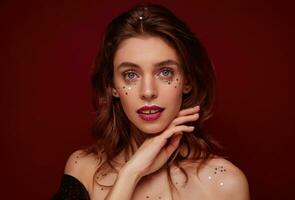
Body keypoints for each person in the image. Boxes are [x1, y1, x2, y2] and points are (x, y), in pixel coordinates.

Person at [52, 2, 250, 200]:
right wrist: (130, 173)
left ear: (187, 80)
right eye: (130, 74)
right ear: (112, 86)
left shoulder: (223, 184)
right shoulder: (82, 168)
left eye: (165, 72)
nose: (148, 92)